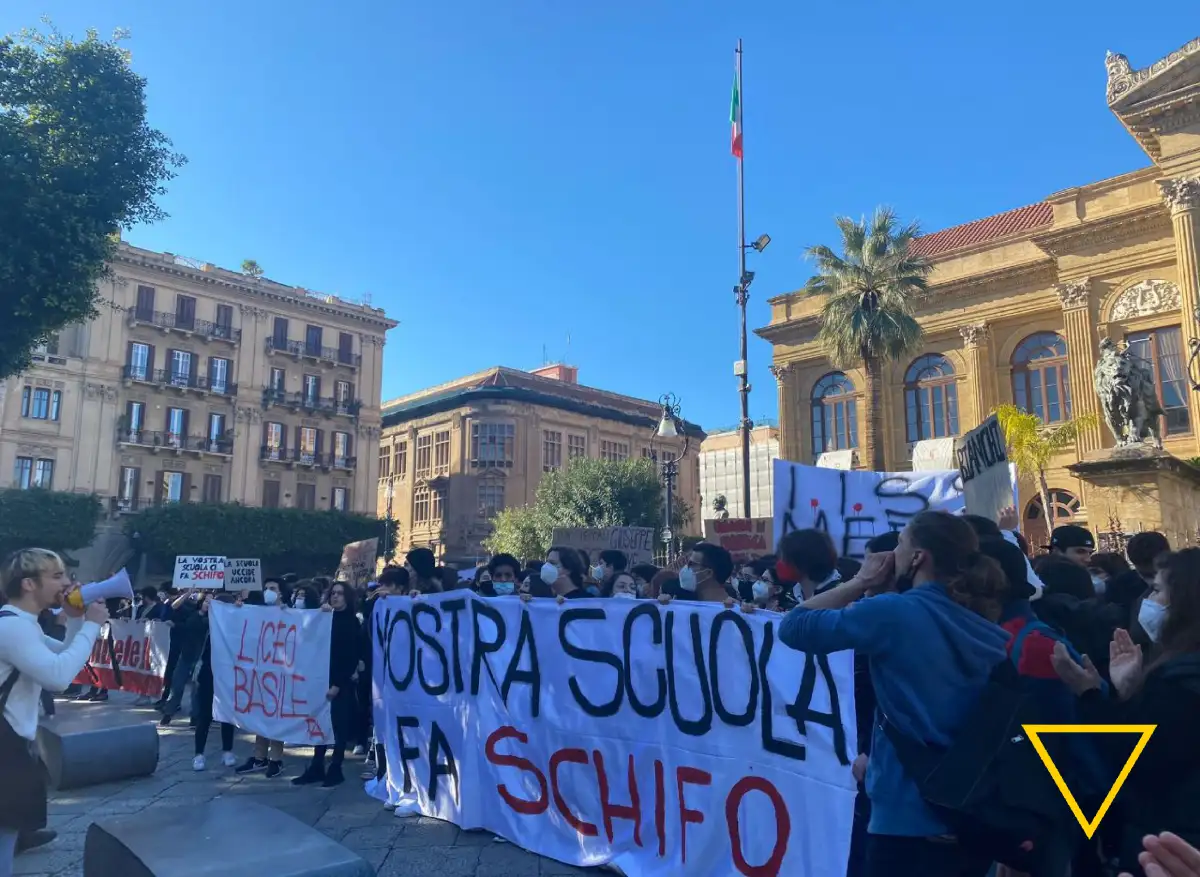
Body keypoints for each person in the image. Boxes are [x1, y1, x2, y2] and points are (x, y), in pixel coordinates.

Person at [779, 511, 1009, 877]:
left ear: (918, 557)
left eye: (900, 545)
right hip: (968, 811)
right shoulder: (978, 614)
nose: (892, 554)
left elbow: (795, 627)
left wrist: (859, 581)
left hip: (905, 816)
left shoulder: (896, 614)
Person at [1052, 547, 1200, 875]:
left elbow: (1138, 761)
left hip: (1171, 845)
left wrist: (1090, 694)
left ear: (1186, 602)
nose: (1149, 599)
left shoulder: (1180, 680)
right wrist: (1131, 690)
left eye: (1158, 590)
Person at [0, 549, 108, 877]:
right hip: (6, 745)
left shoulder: (20, 623)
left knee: (6, 831)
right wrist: (91, 625)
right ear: (30, 584)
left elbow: (63, 657)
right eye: (57, 576)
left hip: (11, 741)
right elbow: (59, 677)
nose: (67, 582)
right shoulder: (15, 628)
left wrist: (75, 620)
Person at [294, 583, 360, 787]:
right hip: (320, 679)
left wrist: (338, 684)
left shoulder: (351, 623)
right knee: (319, 724)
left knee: (338, 726)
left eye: (340, 594)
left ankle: (336, 767)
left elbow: (350, 657)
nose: (336, 597)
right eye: (333, 593)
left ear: (347, 598)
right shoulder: (325, 619)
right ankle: (316, 765)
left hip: (339, 682)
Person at [234, 579, 287, 778]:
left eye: (273, 589)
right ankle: (259, 757)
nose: (268, 592)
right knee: (259, 714)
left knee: (276, 717)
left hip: (280, 673)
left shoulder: (290, 614)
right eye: (266, 588)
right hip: (259, 673)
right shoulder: (256, 611)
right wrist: (238, 610)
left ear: (281, 593)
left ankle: (276, 759)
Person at [190, 593, 237, 772]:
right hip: (208, 673)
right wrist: (204, 611)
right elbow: (193, 626)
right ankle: (199, 754)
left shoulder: (234, 625)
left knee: (227, 714)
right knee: (205, 715)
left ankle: (227, 750)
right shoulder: (206, 623)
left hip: (229, 674)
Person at [159, 589, 210, 726]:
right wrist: (189, 592)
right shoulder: (191, 611)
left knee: (196, 689)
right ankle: (168, 713)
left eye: (211, 602)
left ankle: (195, 717)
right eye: (206, 601)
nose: (208, 604)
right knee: (177, 686)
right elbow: (175, 606)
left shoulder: (213, 620)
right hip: (186, 655)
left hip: (200, 658)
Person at [776, 529, 842, 600]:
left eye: (784, 558)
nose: (781, 563)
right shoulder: (790, 596)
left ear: (802, 561)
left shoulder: (839, 598)